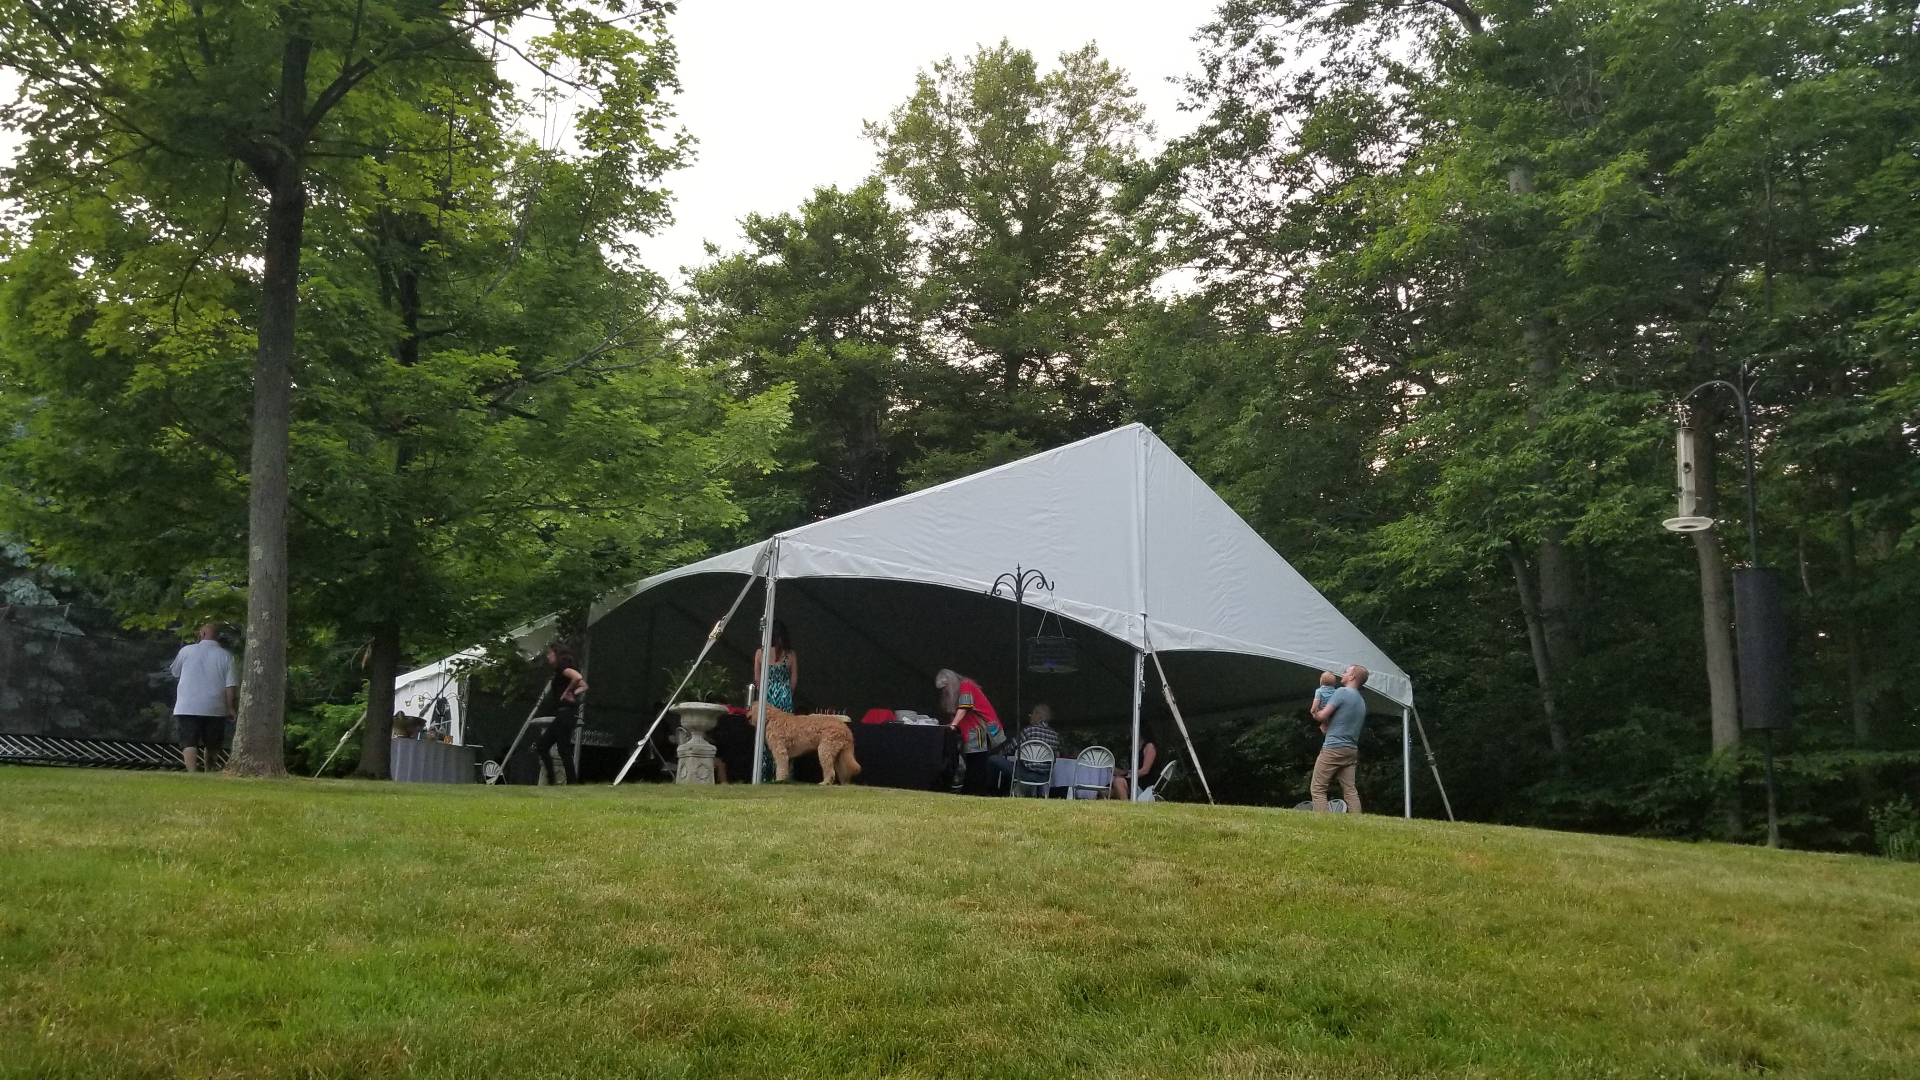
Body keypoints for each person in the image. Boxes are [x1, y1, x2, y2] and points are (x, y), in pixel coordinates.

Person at [169, 622, 237, 772]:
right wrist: (230, 707)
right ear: (217, 637)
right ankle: (209, 770)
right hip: (215, 706)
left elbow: (175, 672)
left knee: (189, 741)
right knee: (212, 743)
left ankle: (192, 773)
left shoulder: (186, 651)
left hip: (187, 705)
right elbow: (230, 685)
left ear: (202, 635)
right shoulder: (226, 656)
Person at [1309, 664, 1369, 813]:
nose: (1343, 673)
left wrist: (1314, 713)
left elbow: (1322, 715)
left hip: (1333, 748)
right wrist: (1327, 728)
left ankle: (1324, 824)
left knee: (1318, 788)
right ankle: (1358, 822)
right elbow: (1344, 724)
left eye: (1346, 671)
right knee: (1350, 790)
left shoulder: (1341, 692)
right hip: (1351, 750)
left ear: (1352, 677)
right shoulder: (1361, 700)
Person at [936, 669, 1005, 794]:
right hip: (973, 731)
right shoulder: (959, 692)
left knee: (977, 762)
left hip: (981, 729)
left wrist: (953, 725)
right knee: (974, 761)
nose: (944, 691)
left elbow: (964, 708)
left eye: (945, 687)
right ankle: (974, 791)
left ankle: (974, 791)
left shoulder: (966, 684)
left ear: (950, 682)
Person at [537, 644, 588, 785]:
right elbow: (584, 686)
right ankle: (564, 781)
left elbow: (578, 678)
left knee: (553, 748)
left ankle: (560, 781)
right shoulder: (559, 672)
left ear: (557, 655)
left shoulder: (564, 670)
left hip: (565, 714)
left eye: (550, 653)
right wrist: (573, 692)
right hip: (564, 715)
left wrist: (568, 692)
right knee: (550, 747)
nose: (548, 656)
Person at [987, 703, 1059, 792]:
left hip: (1023, 774)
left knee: (993, 759)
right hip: (1044, 777)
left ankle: (992, 791)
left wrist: (1001, 752)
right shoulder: (1055, 736)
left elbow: (1010, 749)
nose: (1030, 716)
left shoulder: (1029, 731)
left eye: (1032, 714)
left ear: (1039, 717)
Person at [1112, 722, 1163, 801]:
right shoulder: (1134, 747)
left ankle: (1126, 807)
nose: (1130, 732)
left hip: (1144, 784)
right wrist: (1121, 772)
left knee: (1118, 781)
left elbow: (1145, 770)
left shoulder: (1149, 746)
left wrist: (1128, 775)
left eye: (1132, 730)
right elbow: (1131, 769)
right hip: (1134, 781)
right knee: (1105, 791)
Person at [754, 620, 797, 711]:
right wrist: (789, 692)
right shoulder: (790, 655)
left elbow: (757, 678)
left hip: (766, 695)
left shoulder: (760, 653)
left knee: (766, 723)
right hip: (784, 696)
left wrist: (761, 691)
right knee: (784, 724)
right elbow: (793, 680)